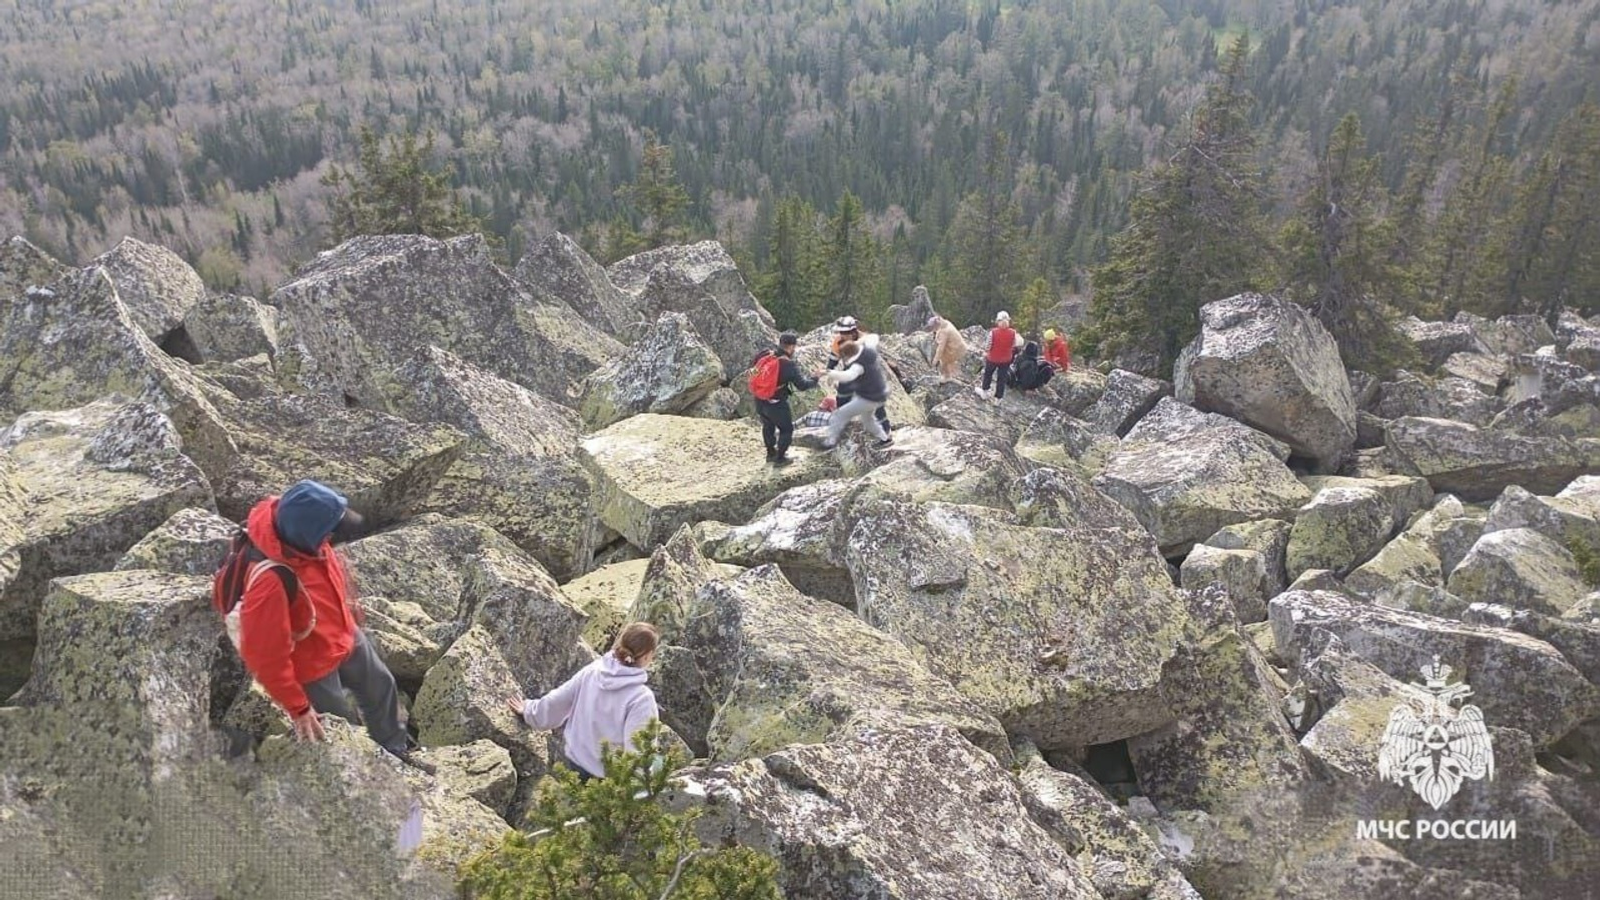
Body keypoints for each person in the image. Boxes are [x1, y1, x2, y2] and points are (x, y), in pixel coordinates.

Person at [237, 479, 435, 773]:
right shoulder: (269, 583)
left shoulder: (302, 527)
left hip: (344, 633)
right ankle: (366, 772)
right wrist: (299, 708)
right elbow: (264, 656)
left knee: (382, 687)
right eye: (330, 531)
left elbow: (330, 576)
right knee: (338, 723)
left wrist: (352, 615)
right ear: (308, 536)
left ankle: (395, 750)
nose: (336, 534)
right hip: (311, 664)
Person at [506, 622, 661, 782]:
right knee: (659, 764)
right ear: (647, 656)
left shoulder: (594, 670)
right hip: (606, 783)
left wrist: (529, 710)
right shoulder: (641, 699)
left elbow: (558, 701)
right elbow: (640, 753)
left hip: (573, 763)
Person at [753, 332, 819, 466]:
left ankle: (771, 453)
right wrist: (815, 378)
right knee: (786, 430)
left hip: (759, 399)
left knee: (767, 426)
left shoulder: (765, 354)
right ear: (791, 347)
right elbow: (802, 386)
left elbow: (753, 370)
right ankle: (780, 458)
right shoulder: (788, 365)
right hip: (776, 403)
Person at [822, 337, 893, 448]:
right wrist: (857, 342)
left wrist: (829, 372)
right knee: (868, 420)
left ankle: (830, 442)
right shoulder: (869, 351)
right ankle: (885, 439)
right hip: (880, 394)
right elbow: (873, 337)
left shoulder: (858, 365)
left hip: (868, 398)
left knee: (839, 414)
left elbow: (848, 376)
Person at [829, 316, 892, 436]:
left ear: (853, 332)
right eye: (841, 332)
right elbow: (832, 360)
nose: (843, 335)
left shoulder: (865, 340)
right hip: (849, 371)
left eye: (846, 333)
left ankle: (885, 429)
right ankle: (843, 428)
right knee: (842, 397)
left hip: (868, 374)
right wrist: (830, 373)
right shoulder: (838, 341)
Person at [977, 311, 1021, 401]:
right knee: (1002, 378)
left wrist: (986, 352)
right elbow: (1014, 344)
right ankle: (998, 398)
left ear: (998, 321)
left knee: (988, 374)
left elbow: (988, 345)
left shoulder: (993, 332)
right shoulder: (1013, 333)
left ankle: (985, 392)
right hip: (1006, 360)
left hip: (992, 359)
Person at [928, 314, 965, 380]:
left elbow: (941, 348)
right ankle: (948, 375)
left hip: (955, 348)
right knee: (944, 358)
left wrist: (935, 360)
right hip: (960, 345)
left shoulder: (944, 332)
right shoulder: (946, 323)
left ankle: (947, 376)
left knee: (943, 359)